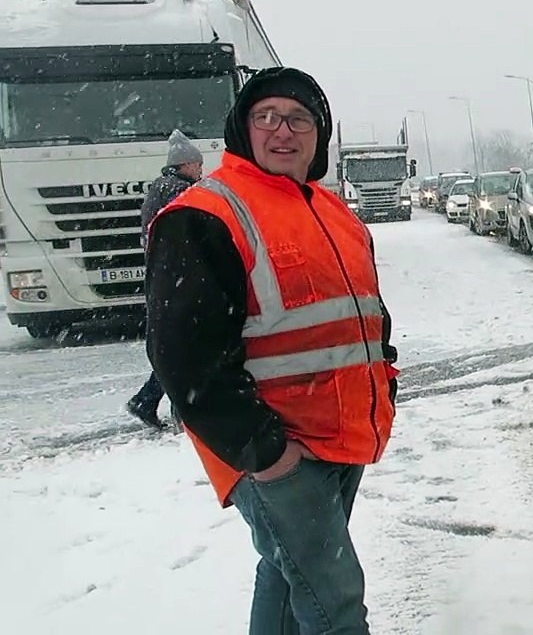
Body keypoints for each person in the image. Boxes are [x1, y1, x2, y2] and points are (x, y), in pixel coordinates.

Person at [144, 67, 399, 634]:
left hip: (342, 438)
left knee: (289, 580)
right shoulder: (206, 214)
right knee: (335, 605)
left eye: (299, 119)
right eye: (266, 117)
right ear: (243, 129)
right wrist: (262, 450)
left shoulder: (333, 213)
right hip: (275, 453)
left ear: (320, 133)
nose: (282, 131)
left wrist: (386, 380)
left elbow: (366, 314)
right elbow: (181, 355)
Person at [125, 129, 203, 429]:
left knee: (175, 345)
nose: (200, 169)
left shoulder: (160, 187)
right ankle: (174, 409)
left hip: (165, 279)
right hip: (179, 279)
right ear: (184, 164)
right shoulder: (178, 190)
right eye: (197, 164)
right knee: (184, 345)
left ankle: (149, 401)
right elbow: (190, 234)